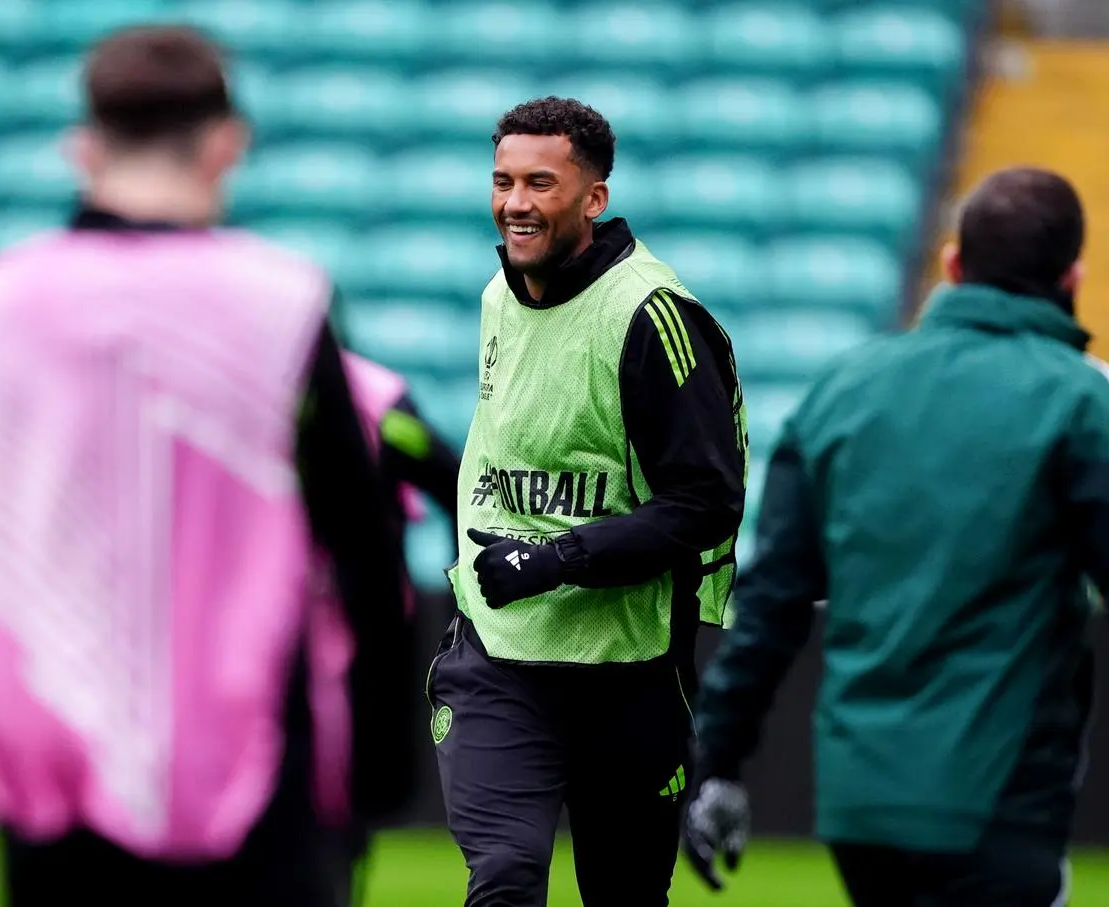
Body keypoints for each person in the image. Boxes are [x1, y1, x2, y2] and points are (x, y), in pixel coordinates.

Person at [0, 25, 413, 905]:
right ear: (226, 145)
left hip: (56, 770)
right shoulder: (281, 302)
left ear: (82, 147)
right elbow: (362, 545)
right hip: (256, 774)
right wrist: (377, 769)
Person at [683, 167, 1102, 907]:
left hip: (860, 808)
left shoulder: (843, 388)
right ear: (1073, 276)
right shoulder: (1079, 399)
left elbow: (771, 603)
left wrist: (714, 763)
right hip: (996, 801)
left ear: (951, 265)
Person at [429, 96, 749, 907]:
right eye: (503, 182)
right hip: (497, 660)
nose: (516, 203)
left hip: (628, 671)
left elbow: (706, 502)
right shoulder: (495, 295)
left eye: (541, 182)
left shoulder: (650, 314)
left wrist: (552, 560)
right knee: (502, 878)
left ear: (594, 198)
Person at [311, 349, 461, 907]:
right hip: (295, 638)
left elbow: (452, 483)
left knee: (346, 805)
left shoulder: (377, 401)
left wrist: (461, 607)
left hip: (362, 640)